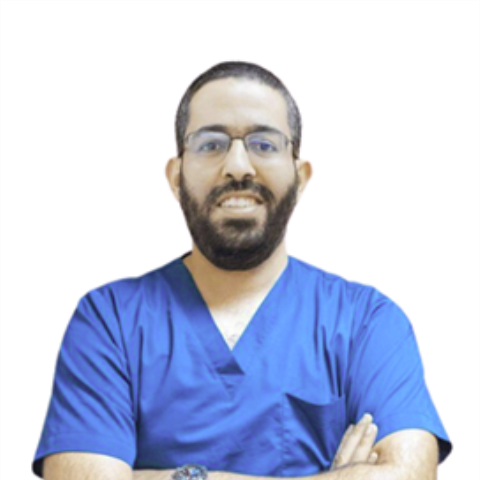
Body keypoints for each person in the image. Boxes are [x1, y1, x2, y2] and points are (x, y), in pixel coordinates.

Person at [32, 61, 452, 480]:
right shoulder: (110, 321)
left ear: (300, 177)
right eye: (210, 144)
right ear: (176, 177)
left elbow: (409, 475)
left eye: (264, 144)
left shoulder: (367, 322)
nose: (237, 166)